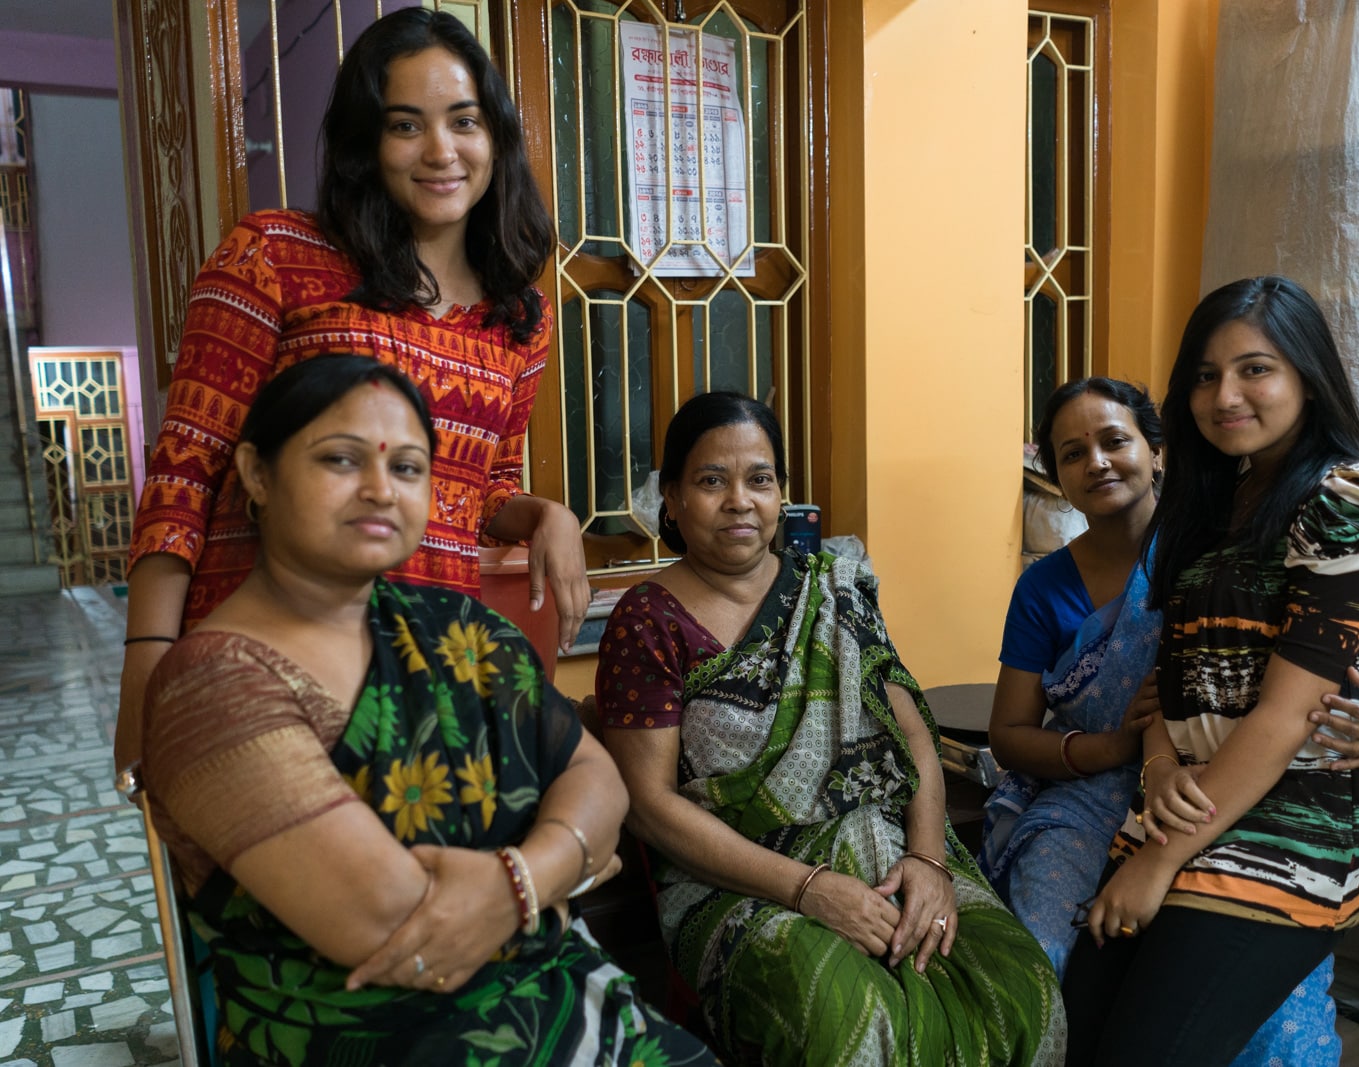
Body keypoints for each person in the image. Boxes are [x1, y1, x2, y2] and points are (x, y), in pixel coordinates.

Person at [140, 356, 717, 1067]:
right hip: (381, 1043)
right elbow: (393, 928)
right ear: (258, 472)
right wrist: (565, 867)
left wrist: (524, 879)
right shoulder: (212, 689)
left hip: (566, 1000)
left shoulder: (456, 629)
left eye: (409, 468)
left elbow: (599, 779)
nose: (381, 489)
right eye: (341, 459)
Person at [117, 8, 587, 771]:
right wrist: (147, 659)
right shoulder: (273, 255)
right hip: (264, 664)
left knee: (424, 884)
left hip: (425, 668)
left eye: (464, 121)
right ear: (369, 143)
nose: (442, 151)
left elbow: (477, 488)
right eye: (406, 125)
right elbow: (186, 467)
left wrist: (546, 514)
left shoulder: (518, 317)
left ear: (496, 135)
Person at [595, 392, 1067, 1066]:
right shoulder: (647, 622)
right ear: (670, 499)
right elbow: (649, 804)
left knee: (1022, 991)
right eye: (710, 480)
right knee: (848, 1014)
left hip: (888, 852)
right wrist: (810, 888)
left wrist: (929, 863)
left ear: (781, 492)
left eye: (759, 478)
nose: (739, 500)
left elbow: (914, 740)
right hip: (736, 882)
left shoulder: (835, 586)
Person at [1061, 277, 1359, 1066]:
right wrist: (1158, 767)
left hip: (1291, 831)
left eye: (1254, 369)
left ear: (1307, 374)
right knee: (1076, 1033)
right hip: (1184, 805)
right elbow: (1173, 672)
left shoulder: (1350, 498)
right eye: (1204, 374)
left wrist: (1160, 859)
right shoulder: (1208, 498)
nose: (1225, 394)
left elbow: (1288, 715)